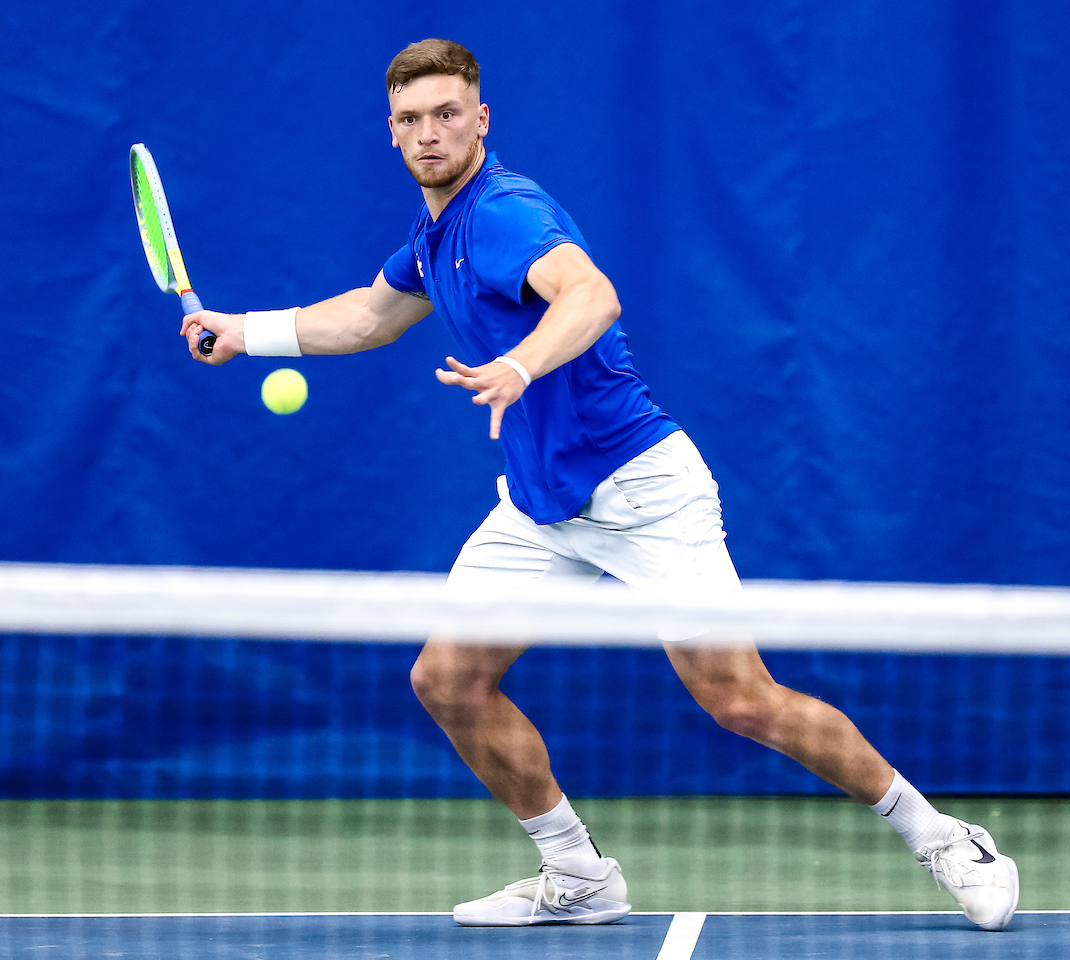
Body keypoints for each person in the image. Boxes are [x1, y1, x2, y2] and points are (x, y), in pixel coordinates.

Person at [183, 38, 1019, 931]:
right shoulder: (437, 237)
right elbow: (369, 316)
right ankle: (577, 876)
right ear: (390, 134)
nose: (429, 133)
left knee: (739, 698)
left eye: (446, 114)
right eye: (410, 120)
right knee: (448, 680)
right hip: (542, 508)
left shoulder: (503, 212)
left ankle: (943, 837)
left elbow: (591, 296)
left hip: (641, 490)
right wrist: (243, 331)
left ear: (481, 119)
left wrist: (519, 364)